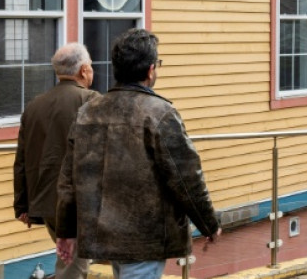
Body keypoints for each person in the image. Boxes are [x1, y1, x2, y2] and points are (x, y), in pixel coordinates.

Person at [55, 28, 221, 279]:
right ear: (150, 69)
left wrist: (66, 231)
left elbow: (67, 181)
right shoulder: (159, 113)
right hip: (146, 238)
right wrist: (209, 223)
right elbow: (186, 178)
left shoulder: (88, 112)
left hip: (102, 234)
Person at [13, 43, 100, 279]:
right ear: (83, 70)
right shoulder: (90, 100)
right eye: (90, 66)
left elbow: (21, 158)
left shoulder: (34, 106)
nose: (92, 71)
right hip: (80, 201)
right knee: (73, 267)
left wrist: (22, 204)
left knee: (71, 260)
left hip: (45, 201)